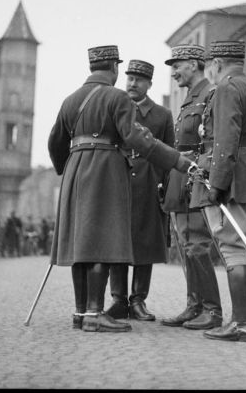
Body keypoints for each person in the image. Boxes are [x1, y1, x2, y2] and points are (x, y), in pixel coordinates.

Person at [48, 45, 192, 333]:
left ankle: (80, 312)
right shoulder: (117, 98)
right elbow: (135, 138)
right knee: (103, 240)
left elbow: (54, 143)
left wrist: (69, 167)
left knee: (82, 243)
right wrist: (177, 160)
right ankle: (94, 313)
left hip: (76, 171)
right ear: (114, 68)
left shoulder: (69, 100)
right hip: (106, 171)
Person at [191, 40, 246, 343]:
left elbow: (225, 140)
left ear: (216, 64)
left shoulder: (226, 89)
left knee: (233, 249)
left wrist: (217, 184)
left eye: (209, 67)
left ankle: (241, 325)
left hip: (235, 178)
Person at [105, 60, 175, 322]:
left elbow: (170, 154)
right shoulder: (115, 108)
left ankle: (138, 301)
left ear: (149, 85)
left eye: (139, 80)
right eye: (130, 79)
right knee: (117, 241)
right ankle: (118, 300)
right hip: (118, 180)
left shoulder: (161, 115)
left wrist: (163, 188)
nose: (132, 83)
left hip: (148, 183)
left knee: (145, 242)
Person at [160, 44, 223, 331]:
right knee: (186, 245)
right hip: (182, 178)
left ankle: (212, 309)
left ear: (196, 63)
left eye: (179, 64)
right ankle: (194, 305)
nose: (173, 71)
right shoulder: (189, 99)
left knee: (197, 244)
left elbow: (213, 141)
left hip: (197, 178)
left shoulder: (211, 94)